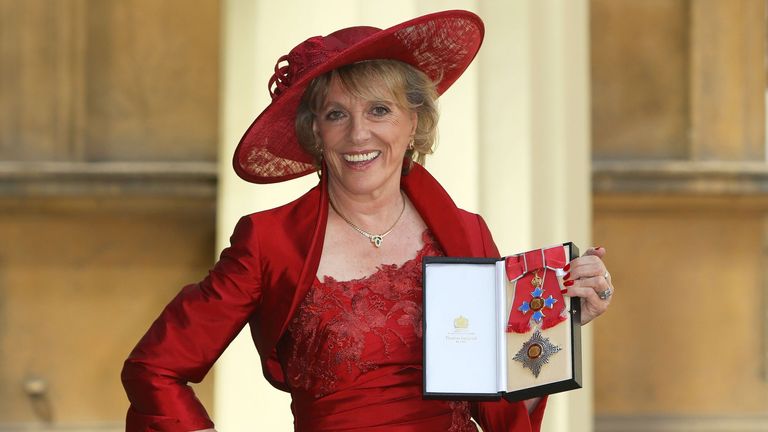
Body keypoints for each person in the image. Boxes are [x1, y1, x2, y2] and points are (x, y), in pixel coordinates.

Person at [121, 10, 614, 432]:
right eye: (337, 114)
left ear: (413, 123)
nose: (359, 134)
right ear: (315, 131)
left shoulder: (465, 232)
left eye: (380, 110)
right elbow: (154, 369)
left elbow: (503, 413)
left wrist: (559, 327)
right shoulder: (267, 242)